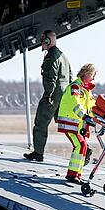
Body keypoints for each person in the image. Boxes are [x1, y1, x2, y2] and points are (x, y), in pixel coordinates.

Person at [24, 30, 72, 162]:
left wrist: (48, 95)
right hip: (64, 94)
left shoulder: (51, 56)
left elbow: (50, 77)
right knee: (65, 124)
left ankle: (38, 153)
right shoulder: (63, 56)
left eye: (43, 40)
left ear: (47, 41)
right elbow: (70, 76)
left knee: (41, 122)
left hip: (54, 94)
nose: (41, 43)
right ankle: (83, 147)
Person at [56, 63, 97, 184]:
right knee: (80, 145)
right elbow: (75, 104)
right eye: (93, 75)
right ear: (87, 73)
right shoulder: (75, 87)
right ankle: (72, 175)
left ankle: (77, 174)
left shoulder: (85, 90)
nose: (93, 78)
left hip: (78, 124)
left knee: (82, 147)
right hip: (70, 122)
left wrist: (98, 116)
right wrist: (84, 116)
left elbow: (91, 106)